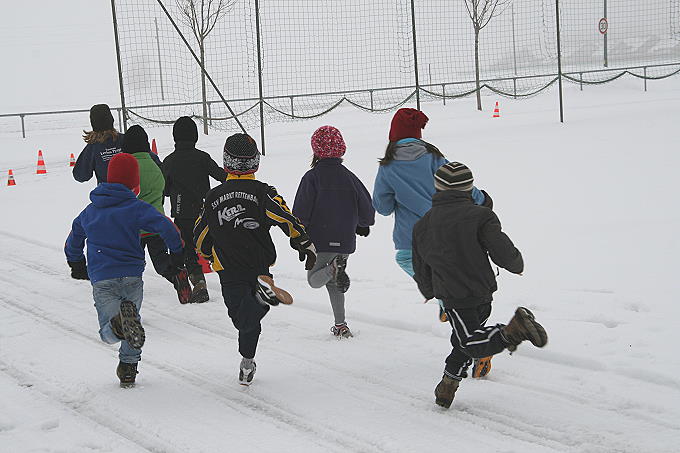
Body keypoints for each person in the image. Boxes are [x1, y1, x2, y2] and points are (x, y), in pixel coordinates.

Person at [411, 162, 548, 409]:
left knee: (469, 341)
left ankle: (512, 331)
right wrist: (515, 264)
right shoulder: (481, 215)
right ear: (469, 188)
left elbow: (421, 263)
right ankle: (447, 386)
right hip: (483, 290)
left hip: (453, 295)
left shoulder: (423, 225)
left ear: (437, 188)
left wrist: (428, 289)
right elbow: (500, 246)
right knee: (463, 339)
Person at [372, 107, 493, 376]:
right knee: (453, 286)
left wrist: (398, 194)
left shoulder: (388, 167)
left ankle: (449, 308)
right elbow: (459, 185)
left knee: (409, 262)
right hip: (448, 234)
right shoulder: (434, 158)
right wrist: (482, 199)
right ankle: (454, 312)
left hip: (411, 240)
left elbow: (382, 207)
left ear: (393, 135)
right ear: (418, 134)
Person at [193, 133, 316, 385]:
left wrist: (206, 253)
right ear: (255, 163)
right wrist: (302, 242)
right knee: (250, 318)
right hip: (259, 265)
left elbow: (200, 234)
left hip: (228, 268)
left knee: (240, 318)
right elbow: (286, 218)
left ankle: (248, 356)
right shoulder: (263, 193)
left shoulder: (213, 197)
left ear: (226, 162)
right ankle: (248, 359)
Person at [64, 153, 186, 387]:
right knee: (133, 322)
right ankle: (128, 367)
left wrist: (76, 263)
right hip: (132, 276)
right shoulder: (137, 208)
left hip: (103, 279)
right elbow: (166, 226)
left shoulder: (91, 211)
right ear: (135, 184)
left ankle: (117, 326)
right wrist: (177, 253)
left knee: (109, 330)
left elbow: (74, 238)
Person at [292, 126, 375, 338]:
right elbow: (368, 210)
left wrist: (299, 237)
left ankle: (334, 269)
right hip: (344, 240)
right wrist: (362, 223)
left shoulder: (312, 178)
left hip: (320, 240)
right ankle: (341, 325)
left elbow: (300, 213)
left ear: (316, 150)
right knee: (333, 284)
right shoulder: (350, 177)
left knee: (314, 280)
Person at [124, 124, 191, 304]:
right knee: (161, 260)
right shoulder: (155, 165)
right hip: (155, 223)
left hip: (132, 227)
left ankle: (129, 296)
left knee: (131, 263)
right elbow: (162, 191)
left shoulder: (127, 166)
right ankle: (176, 274)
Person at [163, 116, 227, 304]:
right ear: (195, 137)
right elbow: (221, 176)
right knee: (214, 247)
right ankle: (230, 278)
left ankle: (198, 283)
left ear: (175, 137)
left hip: (182, 213)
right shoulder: (202, 158)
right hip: (205, 213)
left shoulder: (169, 161)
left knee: (188, 251)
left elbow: (164, 190)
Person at [73, 104, 125, 184]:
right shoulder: (125, 139)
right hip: (129, 190)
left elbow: (81, 175)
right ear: (111, 120)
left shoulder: (93, 147)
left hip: (106, 190)